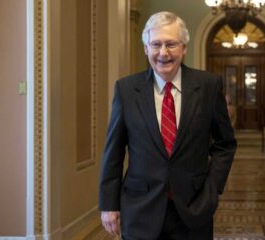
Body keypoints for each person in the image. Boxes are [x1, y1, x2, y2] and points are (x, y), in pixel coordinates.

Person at [99, 11, 236, 240]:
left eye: (171, 44)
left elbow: (225, 143)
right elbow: (113, 151)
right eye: (156, 44)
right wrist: (108, 205)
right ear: (146, 49)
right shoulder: (126, 90)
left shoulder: (208, 86)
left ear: (184, 48)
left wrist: (213, 188)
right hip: (140, 209)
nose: (163, 53)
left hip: (193, 209)